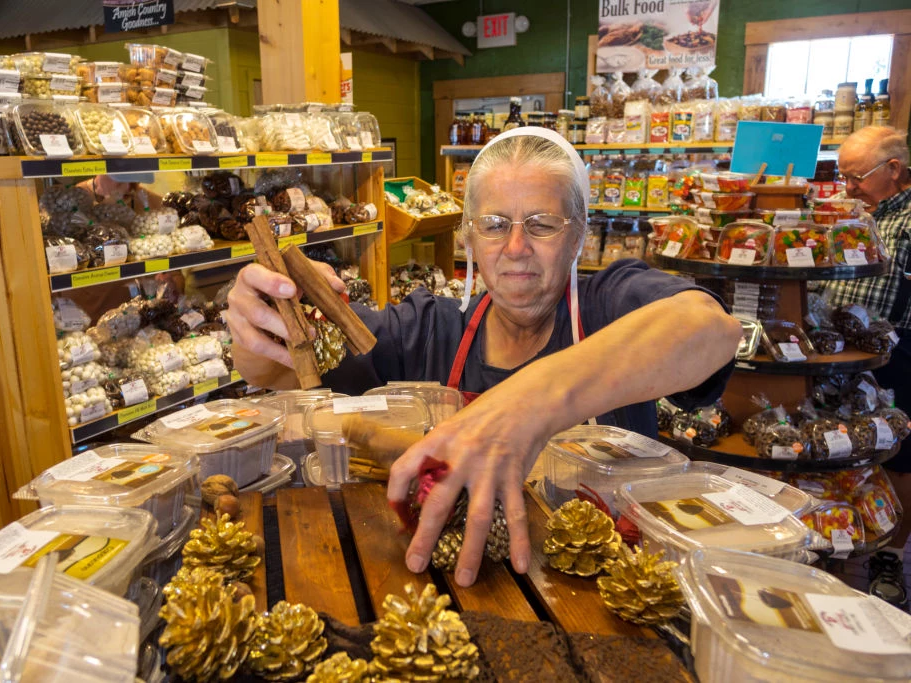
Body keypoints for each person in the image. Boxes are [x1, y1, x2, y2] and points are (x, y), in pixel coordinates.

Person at [227, 128, 741, 586]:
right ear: (469, 236)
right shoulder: (431, 329)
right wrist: (257, 332)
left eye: (541, 224)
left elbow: (710, 330)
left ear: (579, 235)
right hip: (464, 593)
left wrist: (528, 402)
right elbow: (280, 370)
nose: (515, 247)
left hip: (606, 591)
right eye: (495, 224)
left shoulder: (610, 303)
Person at [821, 126, 911, 606]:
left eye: (856, 177)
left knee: (897, 454)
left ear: (893, 170)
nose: (847, 187)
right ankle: (835, 534)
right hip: (833, 350)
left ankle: (889, 556)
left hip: (897, 352)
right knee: (835, 444)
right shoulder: (846, 212)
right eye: (844, 176)